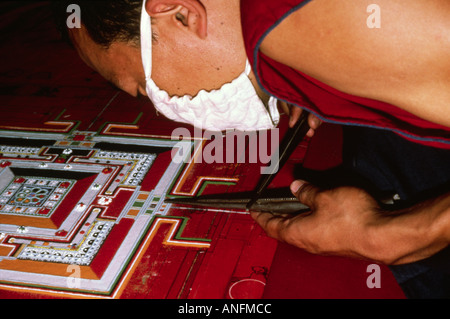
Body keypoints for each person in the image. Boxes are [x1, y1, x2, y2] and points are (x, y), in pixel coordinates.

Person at [52, 0, 450, 297]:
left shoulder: (312, 22)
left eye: (144, 87)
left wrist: (403, 234)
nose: (164, 108)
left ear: (180, 13)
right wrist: (317, 78)